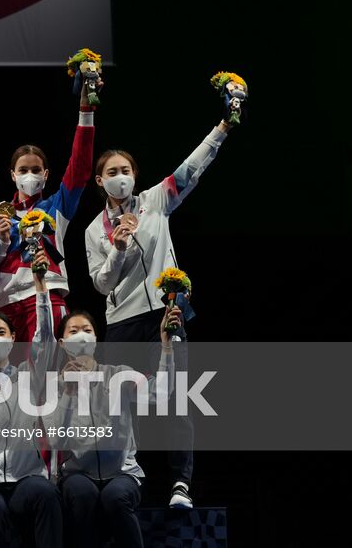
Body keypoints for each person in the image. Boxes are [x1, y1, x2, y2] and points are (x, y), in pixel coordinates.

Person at [83, 106, 238, 508]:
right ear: (100, 181)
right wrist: (116, 249)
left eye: (127, 170)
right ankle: (127, 477)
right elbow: (101, 284)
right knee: (123, 406)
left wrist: (222, 127)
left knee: (176, 398)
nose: (121, 177)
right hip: (122, 324)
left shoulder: (155, 200)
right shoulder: (92, 231)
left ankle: (180, 484)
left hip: (166, 316)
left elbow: (192, 168)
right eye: (112, 172)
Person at [48, 306, 182, 548]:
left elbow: (159, 394)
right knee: (81, 493)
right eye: (74, 331)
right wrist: (68, 392)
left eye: (86, 330)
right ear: (61, 343)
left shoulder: (119, 375)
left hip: (123, 473)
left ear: (95, 339)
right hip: (77, 474)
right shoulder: (55, 387)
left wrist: (166, 347)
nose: (81, 336)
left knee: (116, 497)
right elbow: (56, 439)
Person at [0, 249, 65, 547]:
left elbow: (45, 339)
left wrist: (40, 287)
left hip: (25, 475)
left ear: (12, 338)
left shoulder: (27, 375)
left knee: (46, 494)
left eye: (1, 332)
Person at [0, 74, 98, 341]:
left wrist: (85, 112)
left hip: (47, 294)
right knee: (7, 380)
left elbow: (80, 170)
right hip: (4, 306)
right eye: (23, 170)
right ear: (12, 174)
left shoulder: (56, 207)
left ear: (46, 174)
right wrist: (1, 240)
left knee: (49, 376)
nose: (30, 175)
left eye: (36, 170)